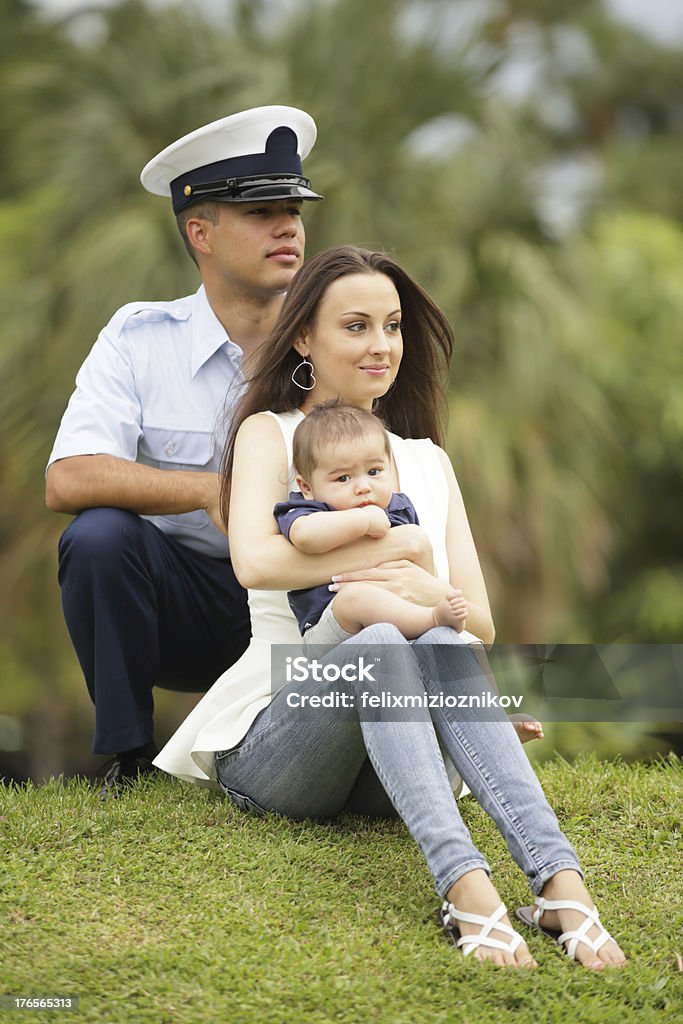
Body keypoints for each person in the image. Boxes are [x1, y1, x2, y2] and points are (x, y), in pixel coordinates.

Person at [155, 246, 625, 969]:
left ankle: (564, 890)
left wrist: (427, 582)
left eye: (393, 325)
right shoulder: (270, 434)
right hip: (289, 734)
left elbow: (481, 618)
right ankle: (468, 894)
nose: (381, 346)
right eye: (356, 326)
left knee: (431, 637)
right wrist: (402, 557)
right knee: (376, 637)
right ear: (304, 338)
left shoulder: (427, 461)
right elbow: (255, 561)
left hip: (394, 762)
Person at [45, 105, 323, 797]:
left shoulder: (336, 337)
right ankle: (128, 759)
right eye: (261, 211)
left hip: (310, 605)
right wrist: (208, 491)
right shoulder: (139, 339)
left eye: (292, 208)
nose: (287, 225)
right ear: (200, 230)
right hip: (188, 607)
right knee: (99, 536)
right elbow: (68, 477)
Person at [275, 401, 468, 645]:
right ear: (307, 487)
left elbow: (421, 574)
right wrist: (363, 520)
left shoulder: (399, 509)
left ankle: (428, 621)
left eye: (374, 472)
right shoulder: (308, 510)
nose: (363, 486)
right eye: (343, 478)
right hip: (331, 626)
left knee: (441, 640)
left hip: (400, 618)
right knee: (356, 596)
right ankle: (431, 619)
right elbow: (305, 536)